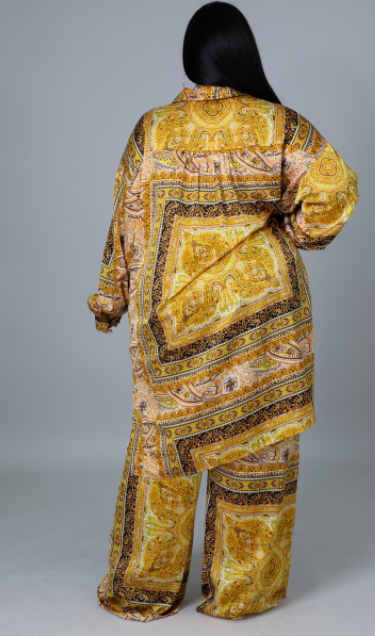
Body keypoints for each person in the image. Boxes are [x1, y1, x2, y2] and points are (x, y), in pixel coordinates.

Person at [87, 1, 359, 622]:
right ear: (243, 56)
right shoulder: (281, 125)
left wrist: (109, 299)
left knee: (166, 458)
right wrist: (294, 236)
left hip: (174, 329)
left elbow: (126, 221)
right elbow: (334, 191)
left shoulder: (153, 130)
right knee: (259, 452)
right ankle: (241, 594)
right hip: (268, 322)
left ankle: (146, 588)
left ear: (191, 59)